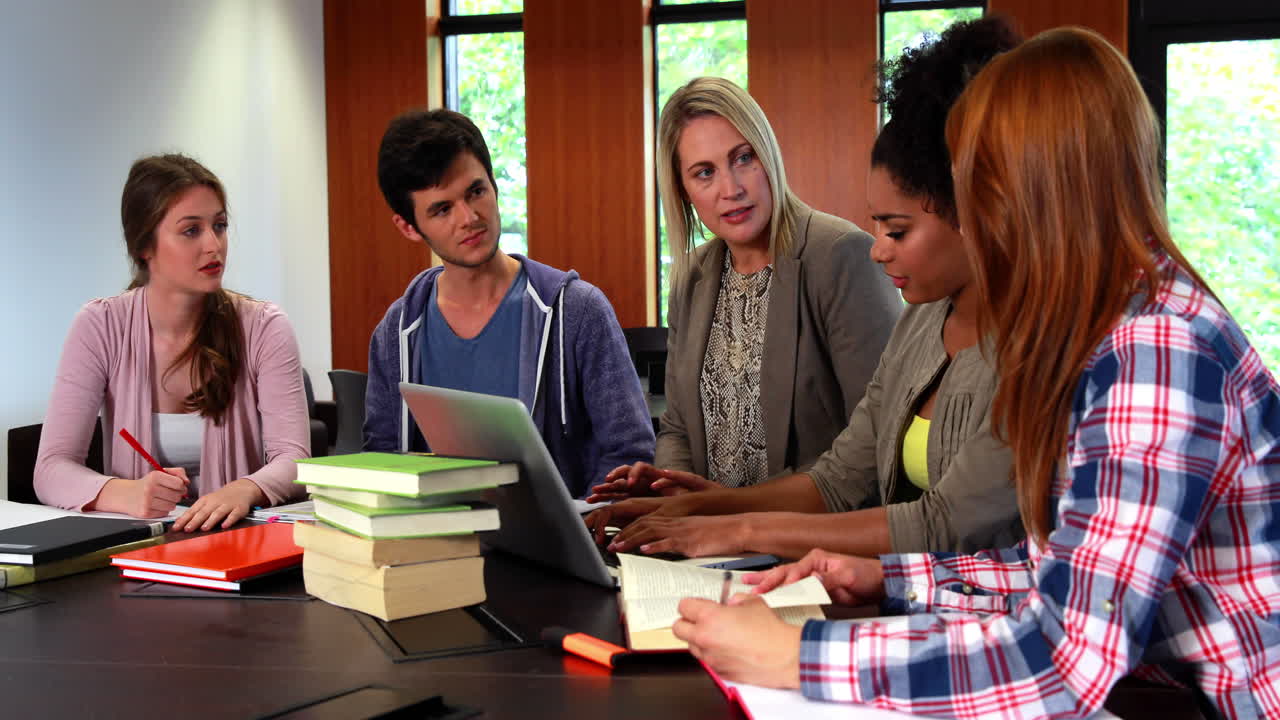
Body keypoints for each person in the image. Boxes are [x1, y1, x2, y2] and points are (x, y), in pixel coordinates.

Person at [672, 27, 1280, 720]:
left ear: (1029, 194)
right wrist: (889, 579)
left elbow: (1062, 656)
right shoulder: (1106, 326)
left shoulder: (1157, 351)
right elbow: (1061, 570)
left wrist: (798, 657)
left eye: (970, 190)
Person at [588, 20, 1023, 560]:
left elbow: (931, 517)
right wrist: (678, 506)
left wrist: (735, 523)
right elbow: (842, 474)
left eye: (898, 229)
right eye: (704, 172)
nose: (878, 248)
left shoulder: (1031, 340)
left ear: (972, 209)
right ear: (682, 190)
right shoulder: (922, 320)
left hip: (852, 572)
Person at [593, 76, 900, 506]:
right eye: (704, 173)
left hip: (811, 545)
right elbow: (678, 428)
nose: (731, 189)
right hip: (712, 544)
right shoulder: (692, 277)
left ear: (768, 154)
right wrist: (672, 487)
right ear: (684, 191)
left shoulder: (841, 257)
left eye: (743, 158)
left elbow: (877, 447)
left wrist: (721, 508)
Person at [365, 109, 654, 498]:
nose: (469, 218)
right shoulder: (396, 331)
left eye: (475, 192)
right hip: (434, 549)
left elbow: (628, 456)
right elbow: (382, 462)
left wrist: (575, 527)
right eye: (442, 209)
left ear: (494, 185)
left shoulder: (578, 311)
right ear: (408, 226)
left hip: (562, 546)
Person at [35, 154, 311, 531]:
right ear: (144, 246)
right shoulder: (99, 326)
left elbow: (295, 459)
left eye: (220, 225)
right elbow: (51, 469)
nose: (214, 245)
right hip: (141, 546)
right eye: (191, 230)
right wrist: (125, 493)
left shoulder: (265, 327)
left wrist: (247, 488)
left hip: (239, 539)